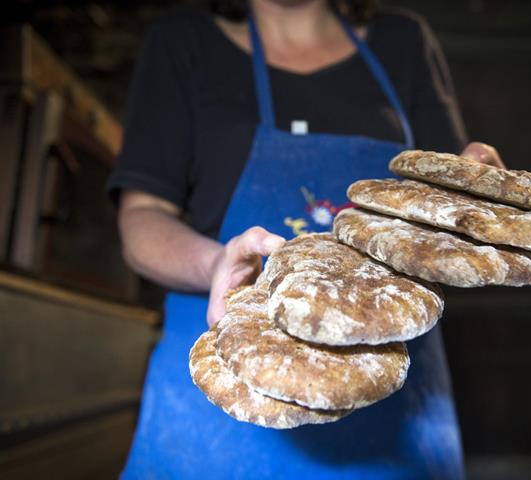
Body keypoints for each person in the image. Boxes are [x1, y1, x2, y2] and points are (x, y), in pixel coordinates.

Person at [108, 0, 504, 478]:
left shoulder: (403, 41)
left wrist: (471, 199)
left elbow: (438, 199)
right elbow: (144, 215)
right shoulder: (183, 40)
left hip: (389, 382)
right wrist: (217, 264)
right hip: (223, 390)